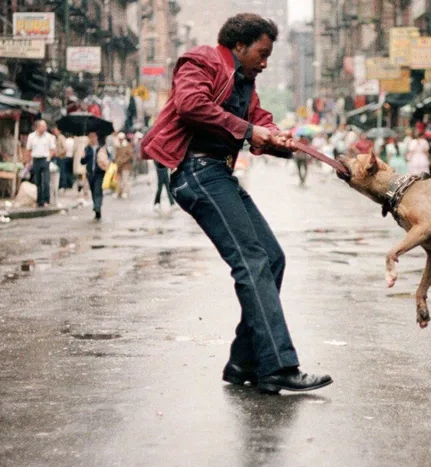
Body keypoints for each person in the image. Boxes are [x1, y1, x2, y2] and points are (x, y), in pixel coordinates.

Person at [140, 13, 331, 393]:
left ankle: (242, 362)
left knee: (272, 258)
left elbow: (261, 120)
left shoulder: (247, 84)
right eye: (261, 53)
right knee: (252, 260)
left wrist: (279, 138)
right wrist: (249, 130)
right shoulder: (202, 60)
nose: (265, 62)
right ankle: (277, 364)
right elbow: (190, 104)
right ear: (238, 46)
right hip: (195, 171)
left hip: (219, 173)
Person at [25, 120, 56, 207]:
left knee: (46, 181)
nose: (44, 128)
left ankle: (47, 199)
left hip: (45, 159)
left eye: (45, 126)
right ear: (38, 127)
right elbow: (28, 150)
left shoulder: (49, 137)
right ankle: (40, 201)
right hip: (36, 159)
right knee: (37, 181)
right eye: (43, 126)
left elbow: (53, 150)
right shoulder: (31, 136)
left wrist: (48, 158)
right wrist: (28, 161)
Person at [82, 131, 111, 221]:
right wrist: (83, 157)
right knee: (93, 190)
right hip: (90, 173)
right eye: (90, 137)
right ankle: (96, 206)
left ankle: (97, 207)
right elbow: (83, 162)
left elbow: (110, 157)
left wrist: (105, 162)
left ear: (97, 138)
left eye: (94, 137)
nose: (92, 139)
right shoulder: (87, 149)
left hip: (99, 173)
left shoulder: (101, 148)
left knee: (98, 190)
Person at [113, 132, 133, 199]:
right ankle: (120, 192)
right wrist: (116, 161)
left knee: (125, 180)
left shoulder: (127, 145)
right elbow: (116, 155)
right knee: (119, 180)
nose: (120, 140)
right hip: (119, 166)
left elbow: (130, 156)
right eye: (119, 139)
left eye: (121, 138)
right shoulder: (117, 146)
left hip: (126, 166)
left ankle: (125, 192)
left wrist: (122, 160)